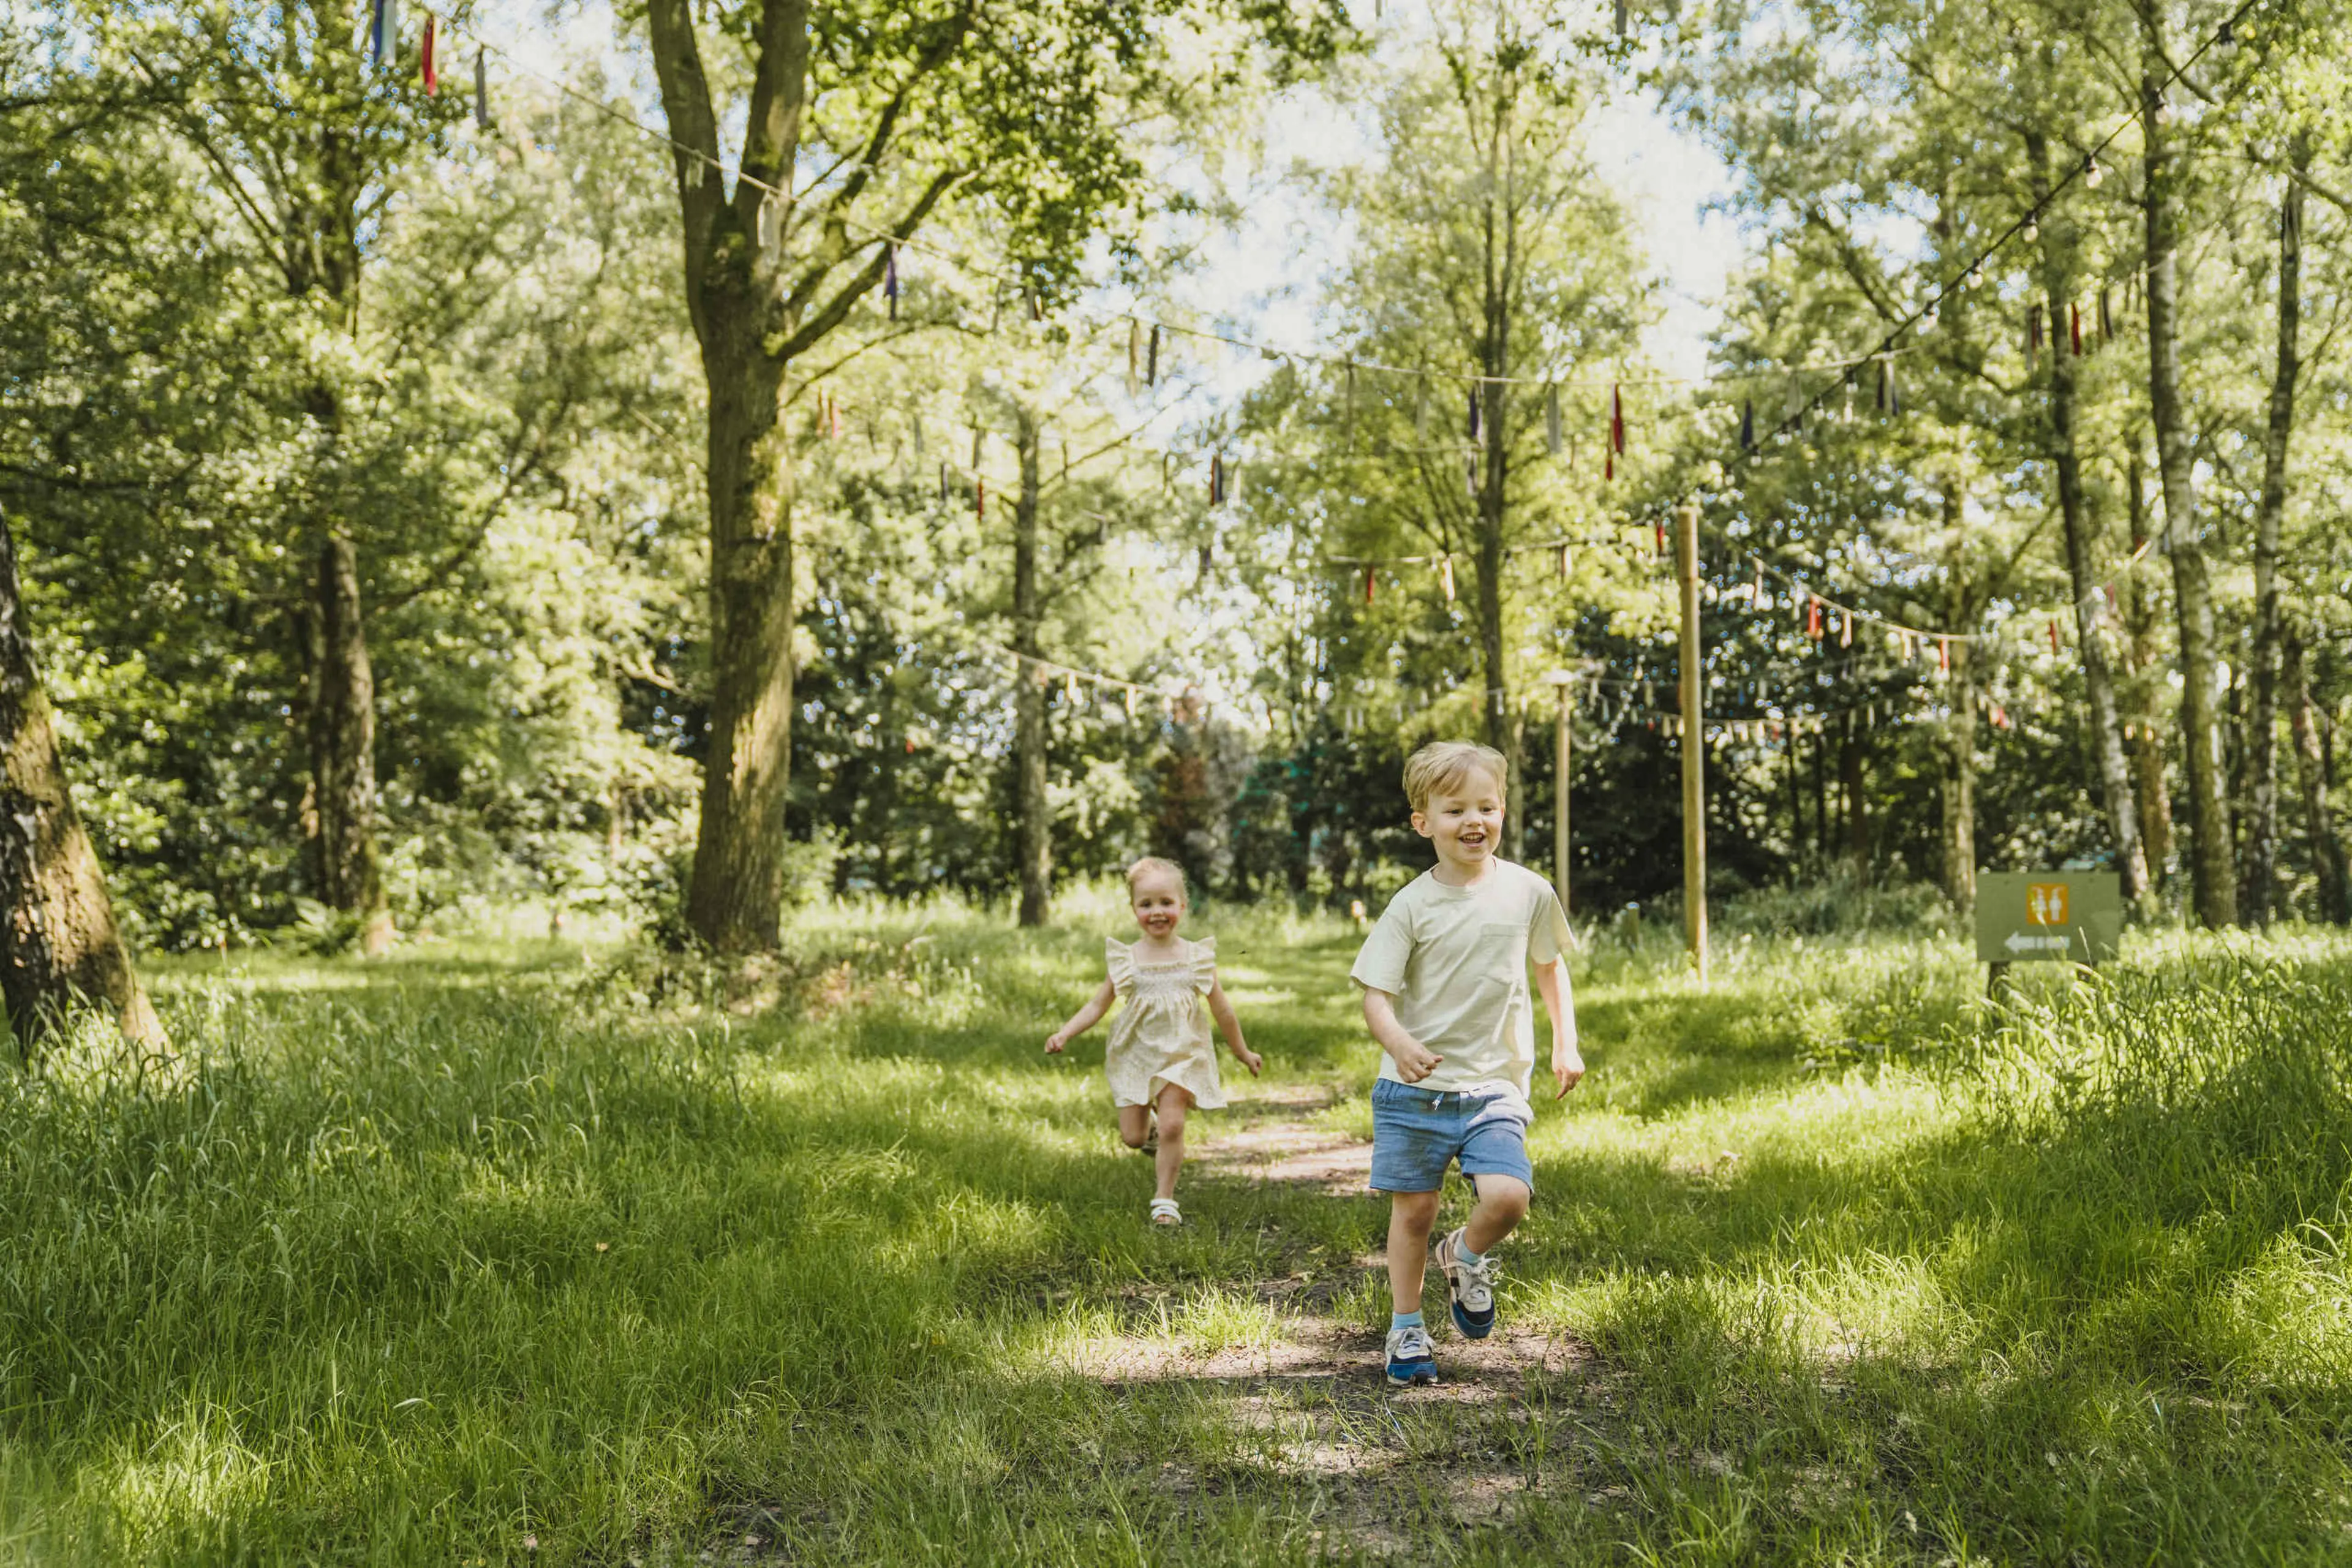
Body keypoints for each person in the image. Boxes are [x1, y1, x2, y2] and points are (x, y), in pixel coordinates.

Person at [1351, 741, 1582, 1385]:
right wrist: (1398, 1043)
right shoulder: (1411, 905)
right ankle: (1405, 1327)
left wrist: (1566, 1041)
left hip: (1493, 1085)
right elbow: (1376, 994)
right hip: (1413, 1090)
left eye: (1488, 806)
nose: (1474, 820)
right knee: (1414, 1212)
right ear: (1422, 822)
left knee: (1509, 1196)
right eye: (1455, 809)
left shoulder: (1529, 892)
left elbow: (1548, 965)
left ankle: (1466, 1252)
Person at [1046, 856, 1261, 1225]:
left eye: (1165, 902)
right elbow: (1099, 1004)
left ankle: (1164, 1200)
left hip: (1183, 1054)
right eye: (1146, 904)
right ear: (1134, 909)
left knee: (1174, 1123)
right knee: (1132, 1137)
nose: (1157, 912)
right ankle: (1151, 1137)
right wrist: (1066, 1031)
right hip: (1137, 1054)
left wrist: (1242, 1051)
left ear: (1182, 905)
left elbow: (1223, 1011)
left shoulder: (1196, 958)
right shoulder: (1127, 959)